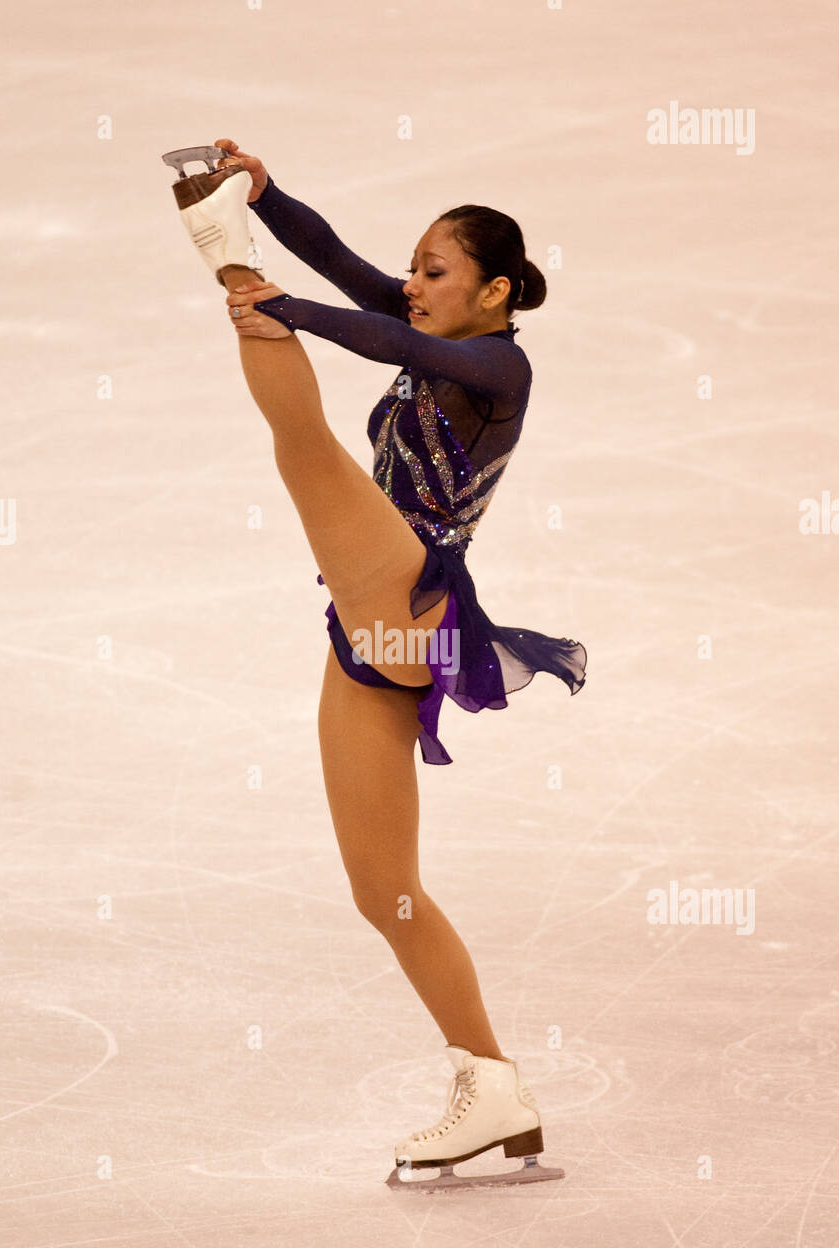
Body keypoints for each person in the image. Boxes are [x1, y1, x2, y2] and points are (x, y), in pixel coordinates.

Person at [166, 138, 587, 1184]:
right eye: (418, 269)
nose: (413, 285)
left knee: (302, 448)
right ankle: (490, 1083)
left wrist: (264, 296)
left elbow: (370, 331)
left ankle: (216, 249)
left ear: (493, 290)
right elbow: (352, 274)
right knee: (382, 888)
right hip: (368, 632)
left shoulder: (496, 362)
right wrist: (271, 197)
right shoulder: (428, 317)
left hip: (414, 592)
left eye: (435, 271)